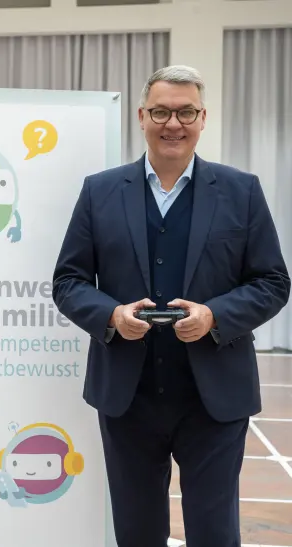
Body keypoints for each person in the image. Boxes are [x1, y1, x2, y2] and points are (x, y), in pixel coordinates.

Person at [52, 65, 290, 547]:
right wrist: (113, 316)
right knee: (137, 533)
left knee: (215, 533)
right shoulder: (99, 192)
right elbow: (69, 281)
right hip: (128, 397)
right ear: (142, 116)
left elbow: (272, 282)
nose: (172, 123)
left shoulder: (242, 192)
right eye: (161, 111)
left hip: (214, 399)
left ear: (203, 118)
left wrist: (214, 315)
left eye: (185, 112)